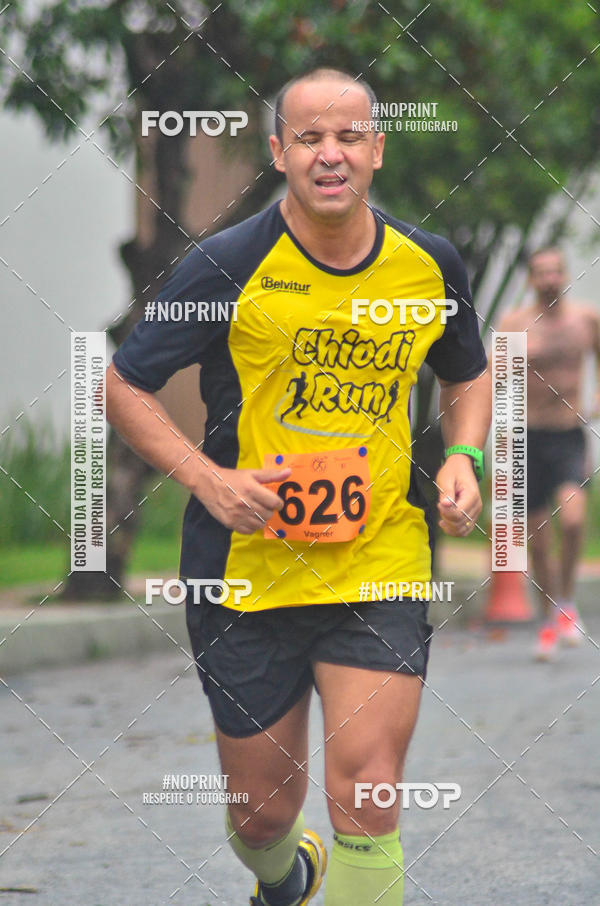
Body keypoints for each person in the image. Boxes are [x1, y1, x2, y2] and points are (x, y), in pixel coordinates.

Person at [106, 67, 491, 906]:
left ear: (378, 150)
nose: (330, 154)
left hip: (379, 559)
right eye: (309, 137)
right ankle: (285, 878)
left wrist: (463, 458)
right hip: (246, 572)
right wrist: (208, 480)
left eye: (349, 136)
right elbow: (122, 384)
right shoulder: (227, 264)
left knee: (370, 787)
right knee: (260, 817)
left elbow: (469, 373)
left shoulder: (429, 265)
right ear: (278, 151)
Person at [499, 247, 600, 660]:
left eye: (555, 270)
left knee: (573, 518)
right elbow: (500, 380)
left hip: (569, 433)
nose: (549, 278)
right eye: (540, 272)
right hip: (528, 437)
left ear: (566, 274)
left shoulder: (586, 319)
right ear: (531, 279)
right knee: (538, 542)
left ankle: (568, 599)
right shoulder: (514, 323)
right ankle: (548, 618)